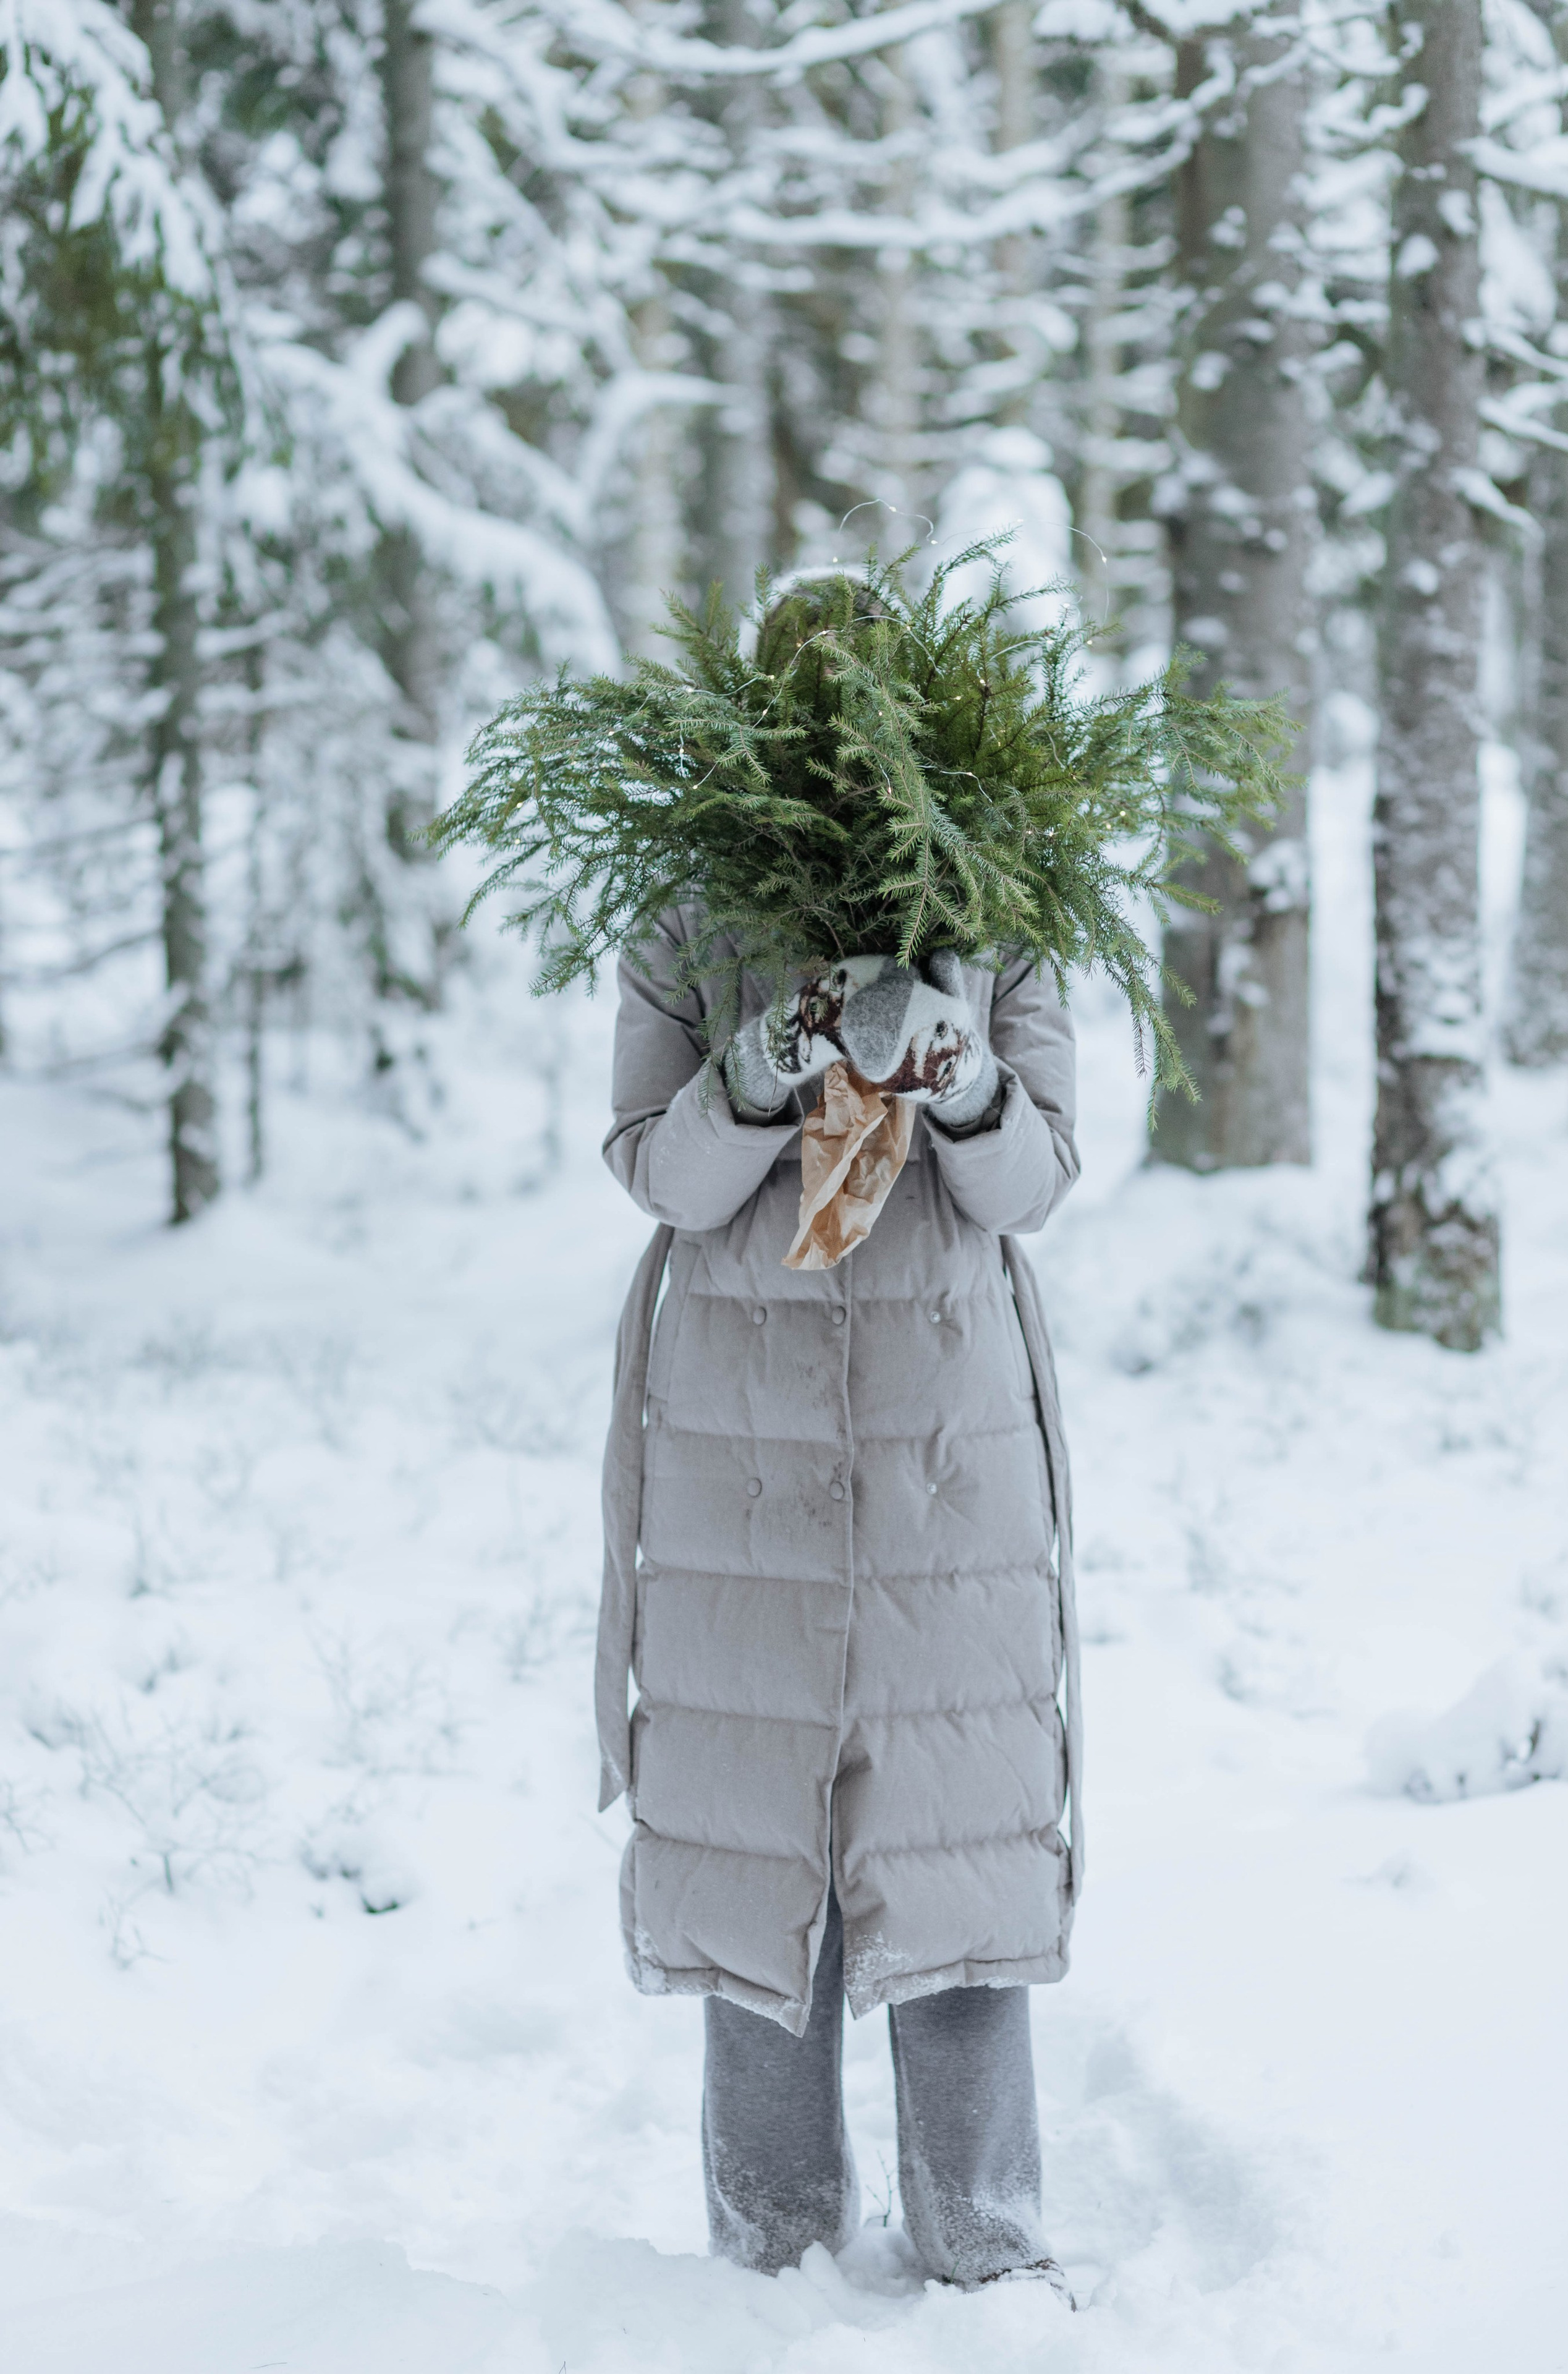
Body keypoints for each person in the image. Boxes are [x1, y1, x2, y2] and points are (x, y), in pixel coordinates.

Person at [593, 724, 1083, 2302]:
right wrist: (757, 1065)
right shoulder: (687, 912)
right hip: (743, 1434)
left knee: (952, 1823)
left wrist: (964, 1071)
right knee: (754, 1831)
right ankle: (772, 2249)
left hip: (948, 1439)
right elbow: (656, 1176)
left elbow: (1035, 1184)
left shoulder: (996, 903)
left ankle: (981, 2242)